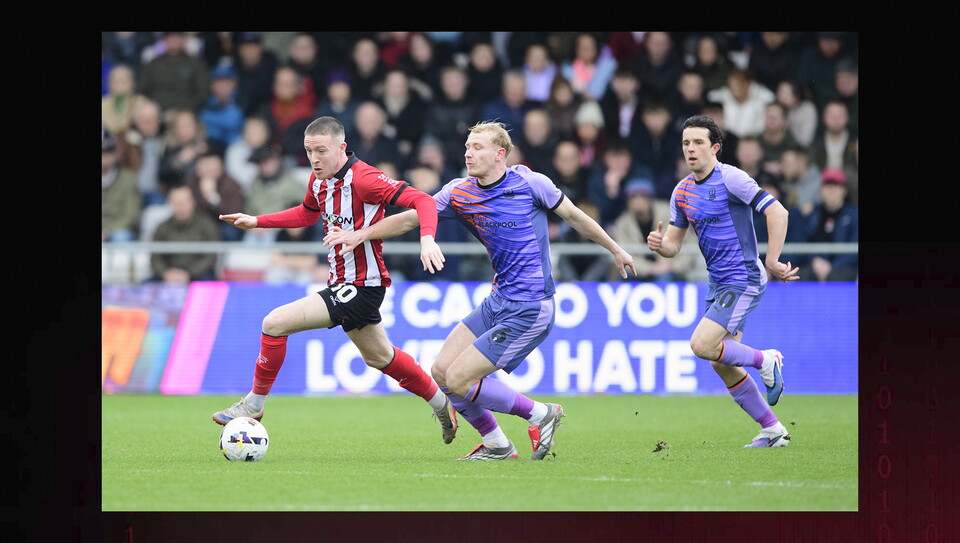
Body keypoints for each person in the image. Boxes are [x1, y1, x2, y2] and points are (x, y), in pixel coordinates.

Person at [323, 120, 637, 460]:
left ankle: (540, 414)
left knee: (459, 379)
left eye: (477, 147)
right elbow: (411, 217)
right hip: (498, 300)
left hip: (531, 306)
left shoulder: (531, 183)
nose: (468, 153)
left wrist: (615, 249)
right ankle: (498, 445)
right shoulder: (460, 191)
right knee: (442, 372)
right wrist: (362, 234)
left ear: (500, 154)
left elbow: (575, 217)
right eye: (467, 147)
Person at [213, 116, 458, 447]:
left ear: (341, 148)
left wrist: (427, 239)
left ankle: (254, 405)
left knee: (274, 323)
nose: (314, 159)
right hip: (343, 283)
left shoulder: (366, 179)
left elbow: (424, 201)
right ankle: (443, 405)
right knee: (381, 357)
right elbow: (305, 213)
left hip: (362, 286)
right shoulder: (319, 182)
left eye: (321, 151)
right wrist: (256, 221)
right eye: (309, 151)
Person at [646, 114, 798, 448]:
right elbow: (673, 245)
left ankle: (766, 359)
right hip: (719, 283)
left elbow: (778, 212)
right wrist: (660, 246)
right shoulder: (682, 192)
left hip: (743, 277)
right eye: (686, 143)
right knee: (719, 359)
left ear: (715, 147)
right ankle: (773, 430)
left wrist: (771, 259)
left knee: (701, 345)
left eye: (698, 142)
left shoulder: (731, 179)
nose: (691, 149)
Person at [792, 169, 858, 282]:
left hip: (844, 269)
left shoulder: (854, 215)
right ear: (821, 190)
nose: (831, 190)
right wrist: (815, 261)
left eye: (835, 186)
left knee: (837, 277)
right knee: (795, 276)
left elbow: (854, 249)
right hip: (814, 267)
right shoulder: (813, 214)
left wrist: (832, 267)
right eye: (827, 186)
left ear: (844, 190)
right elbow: (803, 242)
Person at [149, 184, 220, 284]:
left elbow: (211, 256)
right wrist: (166, 273)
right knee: (146, 286)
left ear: (192, 202)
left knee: (209, 284)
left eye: (183, 203)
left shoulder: (206, 225)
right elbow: (155, 258)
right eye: (176, 203)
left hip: (199, 274)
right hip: (168, 275)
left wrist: (189, 273)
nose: (180, 207)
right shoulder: (162, 227)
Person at [138, 32, 210, 116]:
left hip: (187, 113)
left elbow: (203, 92)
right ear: (164, 40)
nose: (174, 40)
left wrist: (186, 108)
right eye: (171, 37)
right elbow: (142, 90)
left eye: (177, 36)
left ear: (184, 39)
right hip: (158, 114)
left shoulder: (196, 64)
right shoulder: (153, 64)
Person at [184, 152, 245, 242]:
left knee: (229, 230)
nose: (209, 172)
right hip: (198, 222)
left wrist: (212, 197)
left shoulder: (232, 184)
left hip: (223, 223)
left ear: (221, 169)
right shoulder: (191, 183)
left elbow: (234, 213)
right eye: (205, 168)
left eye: (212, 169)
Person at [198, 62, 245, 156]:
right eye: (218, 82)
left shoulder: (244, 103)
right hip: (208, 150)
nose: (223, 86)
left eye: (227, 82)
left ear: (234, 83)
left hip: (235, 151)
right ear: (212, 84)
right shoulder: (203, 104)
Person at [102, 133, 142, 242]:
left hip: (118, 229)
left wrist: (108, 230)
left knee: (121, 237)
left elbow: (131, 214)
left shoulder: (127, 177)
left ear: (114, 154)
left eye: (108, 152)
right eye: (102, 153)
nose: (104, 157)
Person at [560, 32, 618, 102]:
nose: (588, 50)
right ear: (576, 49)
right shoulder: (567, 68)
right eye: (584, 47)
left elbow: (596, 93)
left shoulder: (608, 65)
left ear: (596, 48)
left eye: (591, 47)